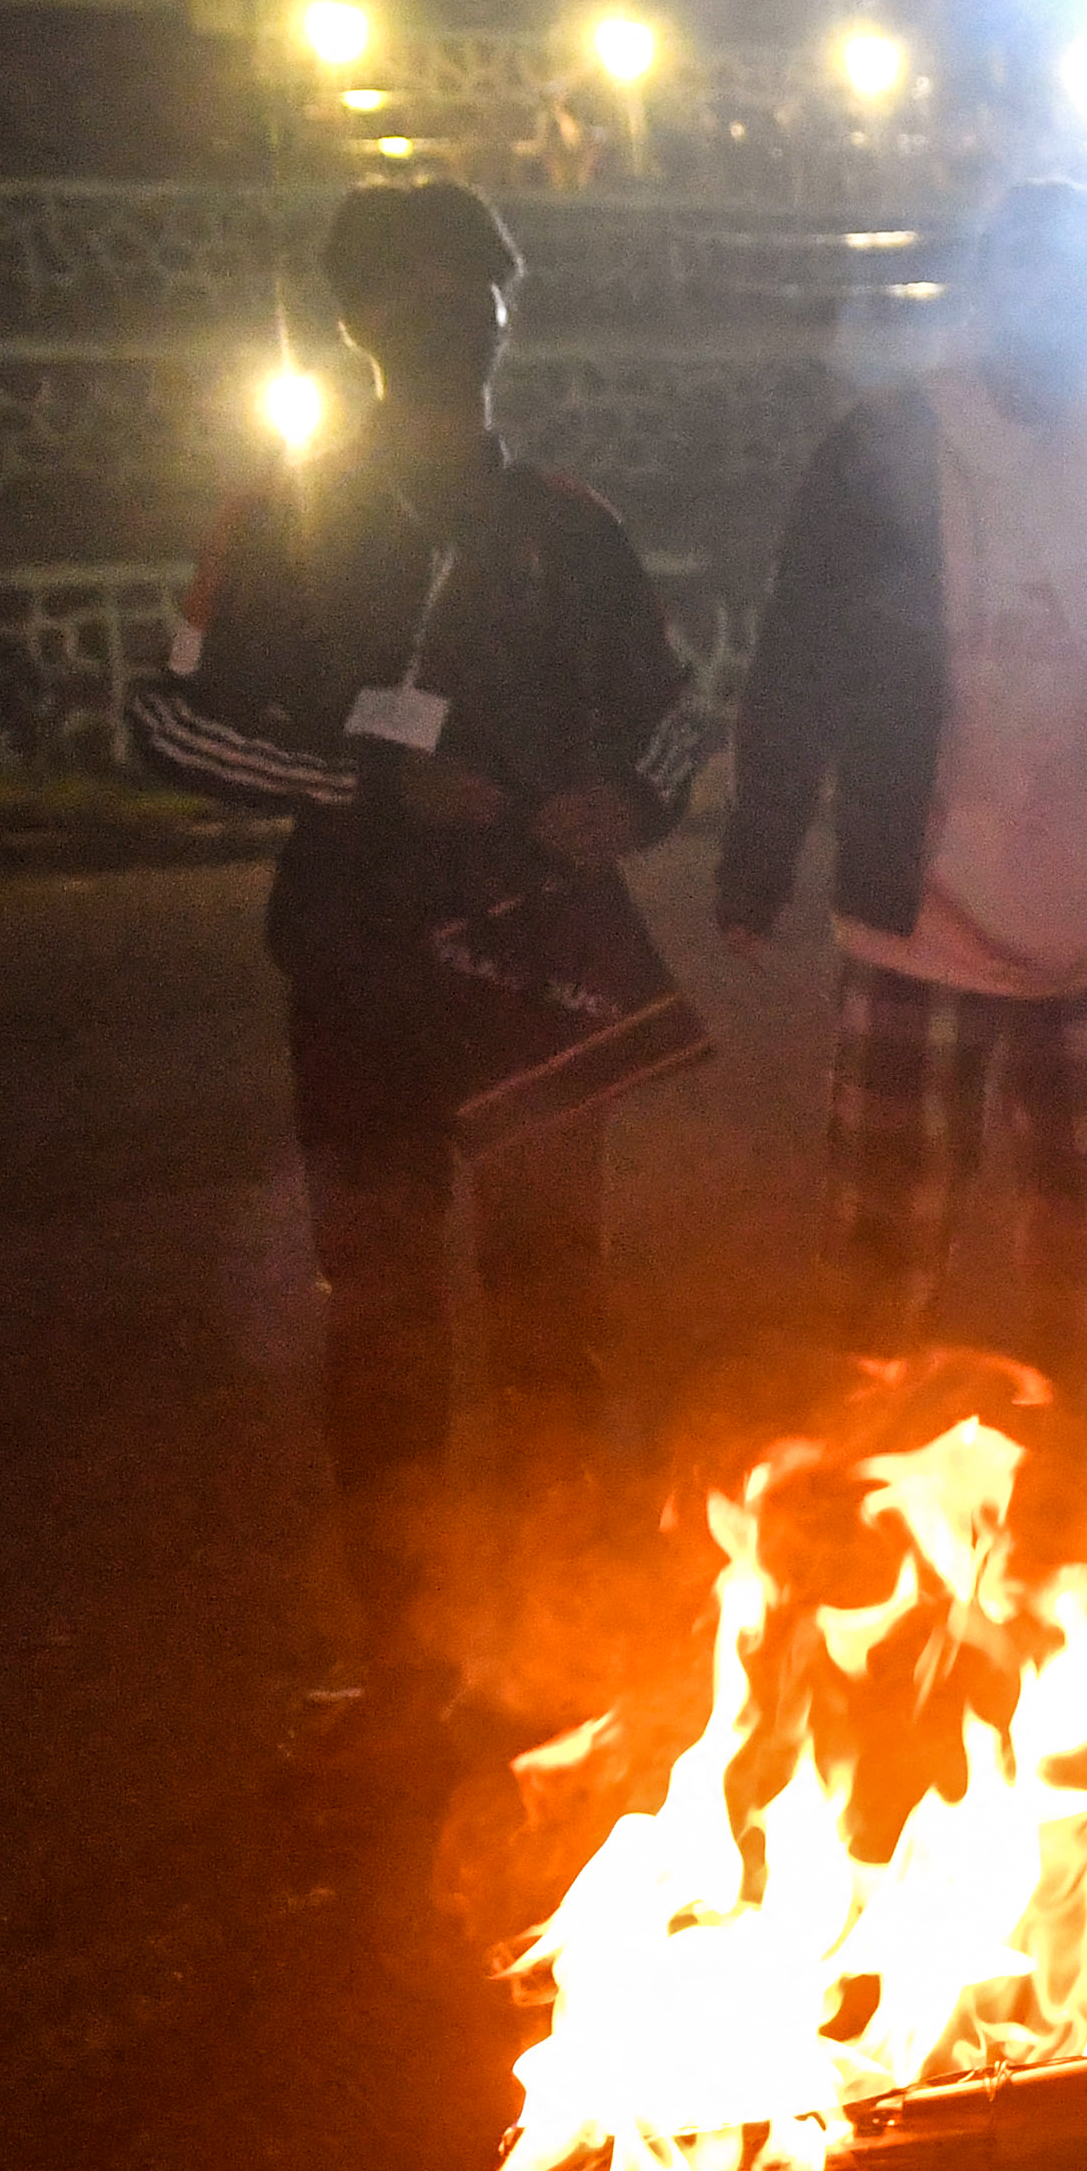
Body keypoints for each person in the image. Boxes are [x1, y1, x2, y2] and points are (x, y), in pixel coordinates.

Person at [135, 182, 707, 1741]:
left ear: (506, 320)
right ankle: (408, 1652)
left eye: (476, 298)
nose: (454, 327)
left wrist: (631, 800)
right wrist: (367, 784)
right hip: (366, 978)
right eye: (418, 301)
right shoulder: (281, 520)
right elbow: (170, 724)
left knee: (548, 1319)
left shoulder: (572, 528)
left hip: (543, 975)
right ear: (359, 328)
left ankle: (555, 1635)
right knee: (381, 1313)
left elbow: (674, 709)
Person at [715, 179, 1087, 1420]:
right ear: (989, 298)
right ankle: (849, 1551)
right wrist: (759, 859)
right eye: (1037, 288)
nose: (1062, 317)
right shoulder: (885, 450)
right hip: (920, 923)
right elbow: (796, 664)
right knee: (877, 1274)